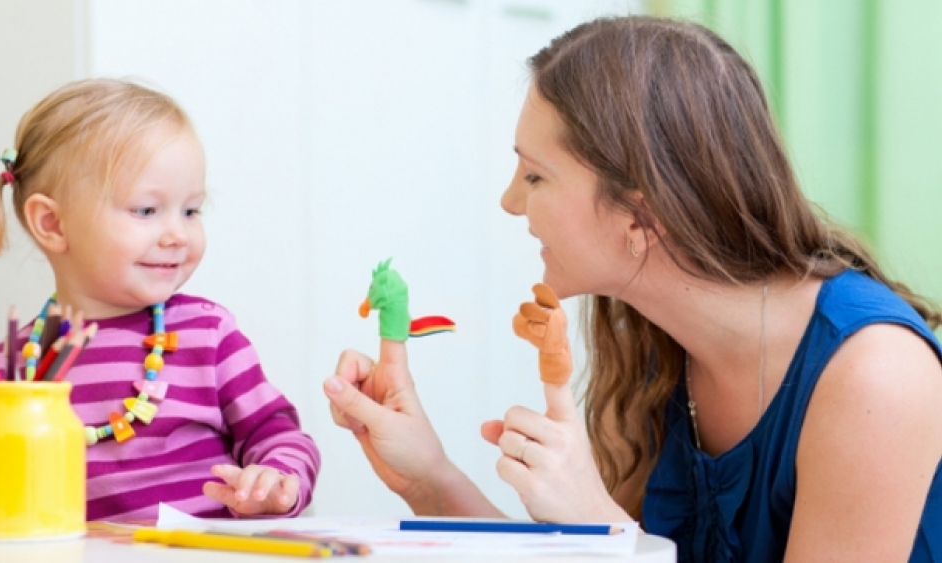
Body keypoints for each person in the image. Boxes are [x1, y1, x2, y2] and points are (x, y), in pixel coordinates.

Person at [323, 16, 942, 562]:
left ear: (640, 215)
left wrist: (606, 529)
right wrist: (427, 473)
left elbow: (611, 548)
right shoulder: (652, 344)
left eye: (536, 176)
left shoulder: (876, 378)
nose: (511, 202)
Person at [0, 78, 320, 521]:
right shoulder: (9, 368)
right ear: (53, 225)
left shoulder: (207, 334)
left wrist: (276, 479)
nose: (178, 234)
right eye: (146, 211)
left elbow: (277, 432)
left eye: (191, 211)